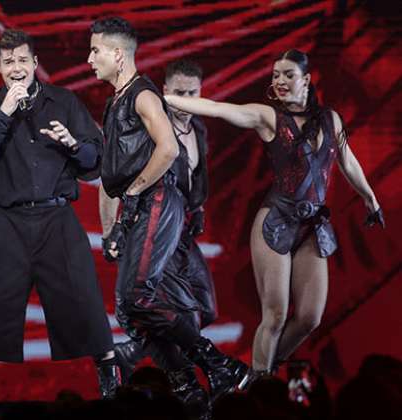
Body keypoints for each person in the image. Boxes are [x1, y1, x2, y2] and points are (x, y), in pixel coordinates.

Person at [164, 49, 385, 383]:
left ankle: (255, 374)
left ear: (306, 80)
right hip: (275, 222)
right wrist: (160, 98)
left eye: (288, 74)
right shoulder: (267, 117)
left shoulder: (331, 119)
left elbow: (348, 160)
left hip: (312, 227)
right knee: (276, 315)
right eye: (275, 75)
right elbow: (218, 108)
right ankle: (258, 388)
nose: (279, 81)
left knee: (310, 317)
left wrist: (371, 199)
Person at [0, 28, 120, 399]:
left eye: (23, 60)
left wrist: (72, 144)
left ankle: (110, 378)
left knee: (84, 296)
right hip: (7, 220)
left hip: (56, 218)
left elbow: (93, 160)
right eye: (9, 62)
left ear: (35, 63)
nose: (17, 68)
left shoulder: (64, 102)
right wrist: (5, 114)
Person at [89, 16, 247, 408]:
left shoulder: (142, 94)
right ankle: (187, 387)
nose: (90, 59)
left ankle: (218, 365)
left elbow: (169, 149)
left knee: (137, 298)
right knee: (131, 306)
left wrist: (137, 192)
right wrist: (118, 223)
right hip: (143, 205)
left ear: (117, 54)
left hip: (158, 199)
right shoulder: (119, 99)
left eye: (95, 50)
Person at [102, 59, 220, 416]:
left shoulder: (197, 129)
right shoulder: (151, 126)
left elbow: (192, 183)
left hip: (179, 232)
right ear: (164, 92)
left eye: (192, 93)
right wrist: (111, 230)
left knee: (205, 309)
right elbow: (110, 183)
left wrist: (197, 210)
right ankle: (190, 388)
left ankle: (128, 354)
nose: (184, 100)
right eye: (177, 93)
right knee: (167, 308)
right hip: (153, 228)